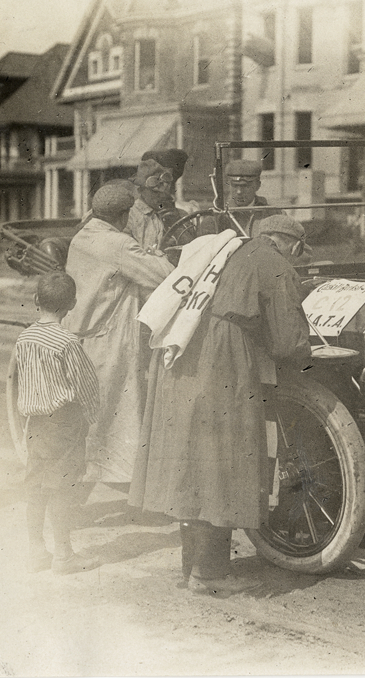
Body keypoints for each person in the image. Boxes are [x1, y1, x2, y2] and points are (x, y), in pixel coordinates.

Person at [129, 215, 312, 596]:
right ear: (290, 245)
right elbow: (287, 344)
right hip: (221, 358)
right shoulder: (275, 264)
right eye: (299, 252)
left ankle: (191, 568)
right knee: (224, 462)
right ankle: (209, 574)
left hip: (181, 352)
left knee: (191, 463)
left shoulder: (222, 248)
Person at [63, 180, 174, 485]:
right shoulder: (119, 243)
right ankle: (110, 480)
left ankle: (79, 483)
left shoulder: (82, 237)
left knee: (87, 414)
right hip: (108, 338)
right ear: (124, 215)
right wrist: (156, 255)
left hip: (81, 334)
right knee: (111, 414)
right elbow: (161, 275)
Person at [14, 272, 101, 574]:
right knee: (63, 488)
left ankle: (36, 550)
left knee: (36, 486)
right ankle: (64, 555)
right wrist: (92, 416)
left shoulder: (25, 337)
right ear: (73, 304)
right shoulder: (67, 342)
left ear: (37, 301)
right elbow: (86, 384)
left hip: (35, 424)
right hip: (64, 421)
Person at [210, 159, 284, 236]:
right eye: (234, 186)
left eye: (245, 186)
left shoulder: (273, 213)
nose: (239, 192)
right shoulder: (219, 216)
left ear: (258, 185)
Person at [127, 158, 175, 251]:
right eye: (155, 193)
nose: (160, 197)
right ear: (141, 190)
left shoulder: (157, 213)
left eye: (163, 192)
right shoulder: (130, 215)